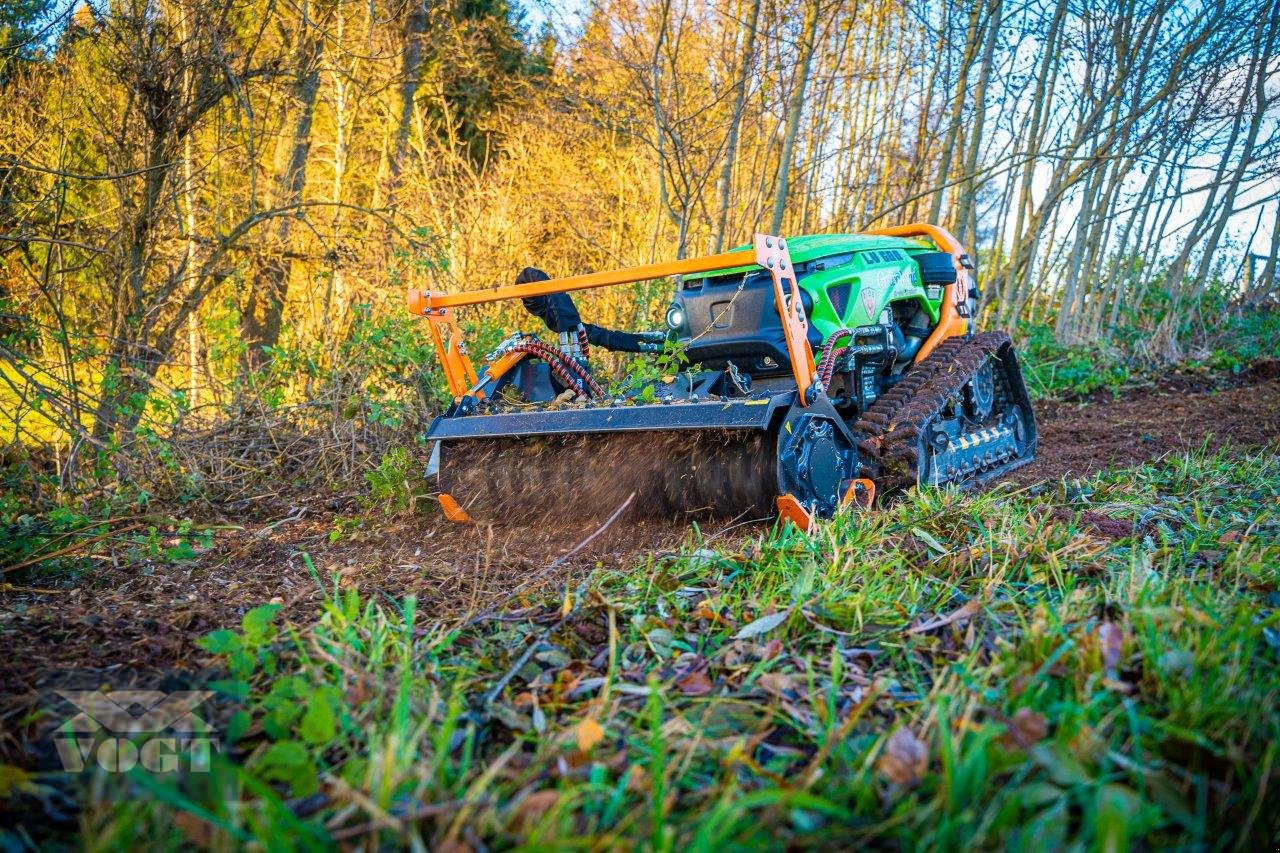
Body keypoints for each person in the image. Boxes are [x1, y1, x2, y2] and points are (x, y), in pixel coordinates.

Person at [515, 267, 664, 353]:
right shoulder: (535, 293)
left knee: (597, 335)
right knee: (597, 335)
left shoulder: (544, 294)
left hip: (556, 309)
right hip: (554, 311)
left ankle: (656, 341)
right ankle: (653, 342)